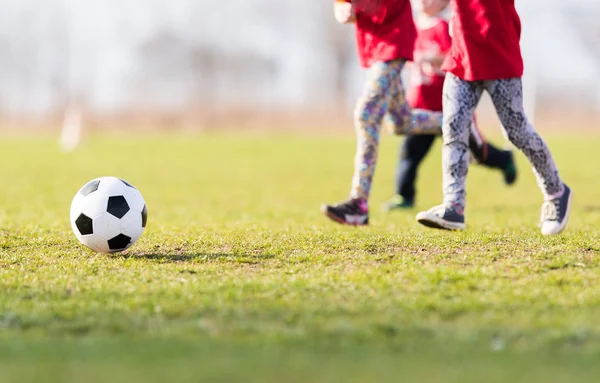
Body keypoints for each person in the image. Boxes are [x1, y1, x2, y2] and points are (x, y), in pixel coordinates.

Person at [416, 0, 572, 235]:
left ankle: (556, 192)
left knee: (516, 131)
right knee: (453, 126)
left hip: (498, 50)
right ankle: (453, 206)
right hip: (462, 53)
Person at [382, 0, 516, 211]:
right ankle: (403, 196)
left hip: (449, 108)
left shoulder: (444, 26)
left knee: (475, 153)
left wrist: (431, 58)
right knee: (410, 153)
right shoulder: (413, 27)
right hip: (421, 110)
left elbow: (453, 55)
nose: (423, 2)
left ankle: (503, 159)